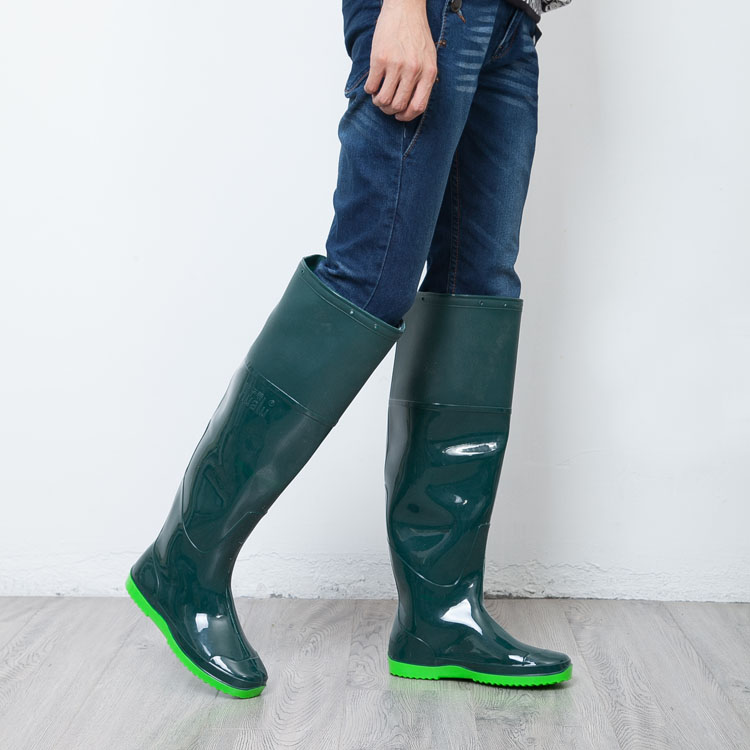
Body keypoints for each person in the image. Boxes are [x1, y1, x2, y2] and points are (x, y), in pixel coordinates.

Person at [126, 0, 574, 699]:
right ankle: (185, 559)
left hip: (511, 21)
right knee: (370, 277)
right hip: (435, 11)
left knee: (478, 289)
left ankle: (442, 616)